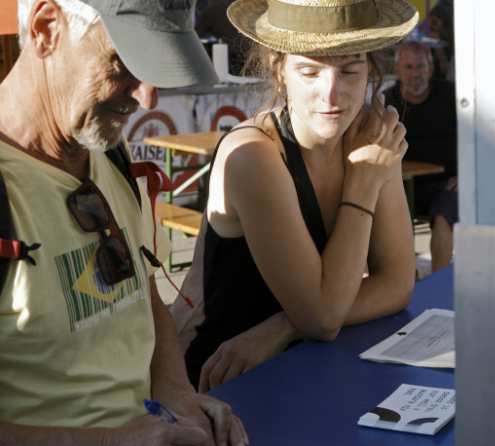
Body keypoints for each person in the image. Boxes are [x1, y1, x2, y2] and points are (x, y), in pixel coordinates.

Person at [0, 1, 247, 446]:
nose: (148, 96)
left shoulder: (106, 147)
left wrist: (176, 394)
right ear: (47, 28)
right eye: (125, 64)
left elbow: (142, 299)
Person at [171, 0, 419, 392]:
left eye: (350, 71)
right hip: (214, 380)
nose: (331, 94)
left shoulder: (369, 134)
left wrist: (283, 325)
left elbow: (398, 283)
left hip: (297, 365)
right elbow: (322, 318)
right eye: (309, 71)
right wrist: (365, 181)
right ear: (278, 70)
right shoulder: (253, 155)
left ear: (370, 68)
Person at [384, 41, 458, 274]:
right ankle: (399, 282)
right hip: (402, 184)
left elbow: (477, 139)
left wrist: (468, 173)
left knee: (443, 219)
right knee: (381, 220)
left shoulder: (452, 95)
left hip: (447, 184)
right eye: (408, 67)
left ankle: (436, 288)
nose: (415, 73)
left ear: (431, 68)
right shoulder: (388, 100)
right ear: (397, 71)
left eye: (420, 67)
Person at [195, 0, 254, 76]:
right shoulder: (237, 4)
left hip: (236, 54)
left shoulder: (210, 10)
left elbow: (195, 35)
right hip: (255, 49)